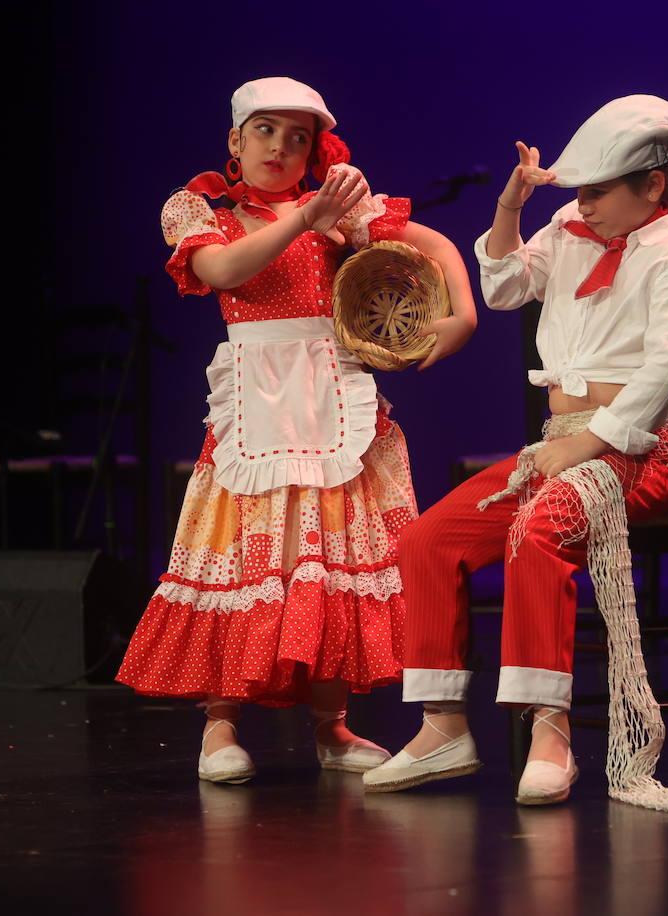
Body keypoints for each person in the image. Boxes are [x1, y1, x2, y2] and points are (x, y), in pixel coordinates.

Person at [116, 77, 476, 785]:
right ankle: (220, 726)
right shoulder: (200, 209)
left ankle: (331, 727)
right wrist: (305, 219)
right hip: (256, 400)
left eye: (298, 136)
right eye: (266, 131)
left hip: (332, 396)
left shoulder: (335, 211)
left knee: (331, 561)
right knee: (248, 558)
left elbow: (432, 241)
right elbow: (223, 269)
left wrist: (461, 313)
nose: (281, 146)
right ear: (235, 141)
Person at [363, 95, 668, 805]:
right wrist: (513, 209)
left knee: (537, 528)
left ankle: (551, 734)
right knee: (428, 539)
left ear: (653, 184)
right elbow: (503, 287)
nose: (584, 203)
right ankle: (442, 727)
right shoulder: (570, 228)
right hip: (563, 445)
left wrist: (589, 441)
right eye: (579, 190)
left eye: (599, 191)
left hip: (641, 451)